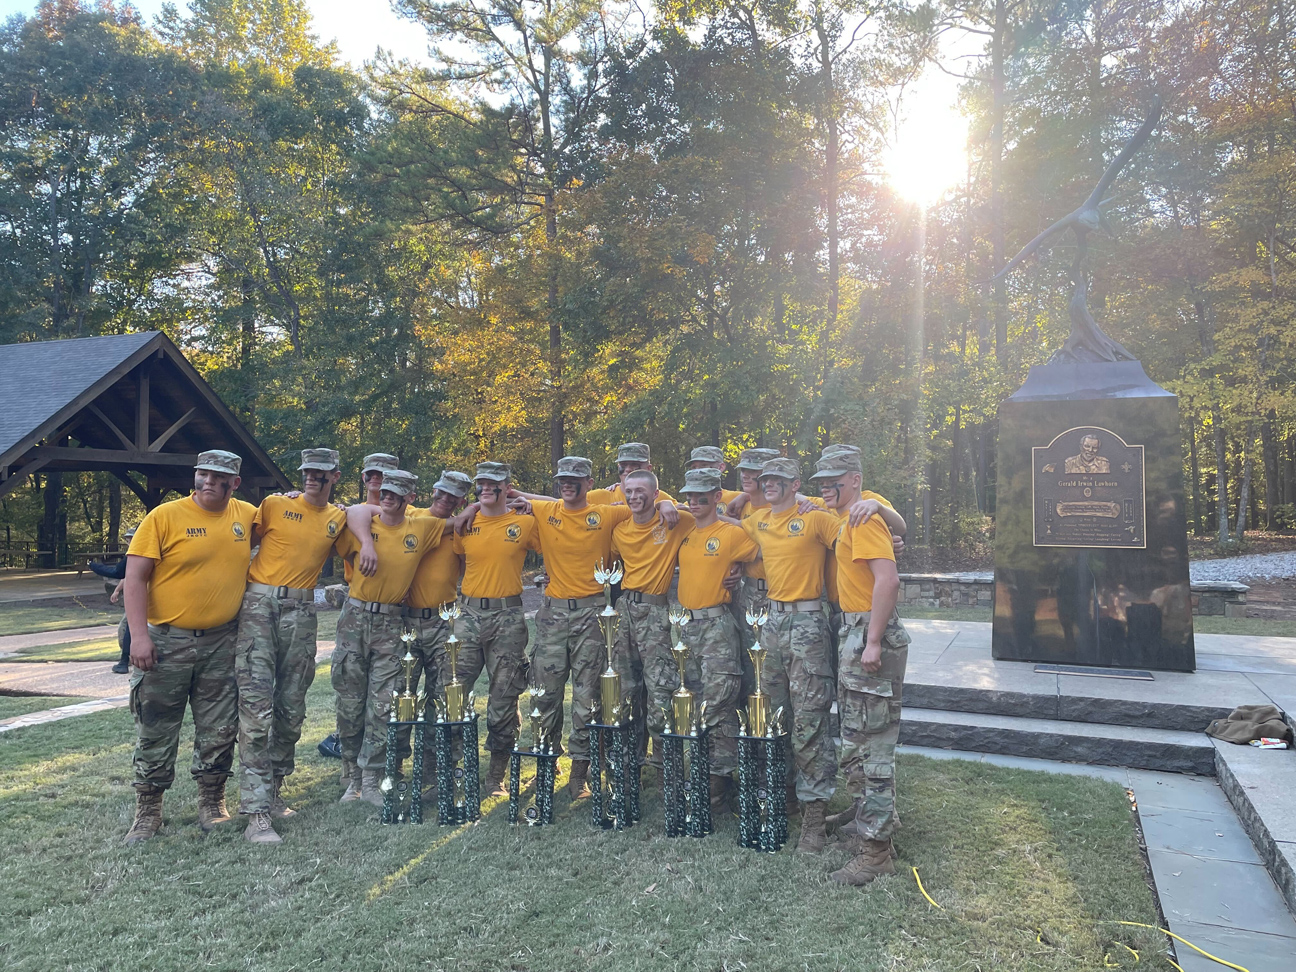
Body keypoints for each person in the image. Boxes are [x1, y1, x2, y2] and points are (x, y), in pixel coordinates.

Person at [121, 450, 257, 845]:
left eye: (219, 477)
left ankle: (212, 802)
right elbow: (134, 578)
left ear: (234, 482)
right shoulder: (164, 517)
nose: (208, 482)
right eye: (202, 474)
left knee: (219, 728)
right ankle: (148, 812)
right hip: (165, 641)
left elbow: (288, 522)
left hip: (221, 642)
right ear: (194, 476)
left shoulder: (246, 516)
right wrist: (139, 636)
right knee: (157, 726)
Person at [234, 448, 348, 844]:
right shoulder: (274, 505)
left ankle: (276, 788)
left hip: (301, 613)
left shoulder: (338, 518)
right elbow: (230, 544)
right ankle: (257, 814)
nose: (312, 478)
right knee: (256, 709)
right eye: (307, 472)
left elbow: (374, 532)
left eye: (320, 473)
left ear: (335, 475)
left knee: (291, 707)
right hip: (259, 608)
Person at [507, 456, 634, 799]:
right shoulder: (546, 512)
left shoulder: (607, 513)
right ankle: (547, 764)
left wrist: (670, 510)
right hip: (551, 616)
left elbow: (648, 505)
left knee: (587, 695)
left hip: (592, 617)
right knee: (545, 694)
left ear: (590, 483)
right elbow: (512, 499)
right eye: (562, 478)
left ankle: (581, 772)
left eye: (575, 479)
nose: (568, 483)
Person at [811, 449, 909, 886]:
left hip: (869, 634)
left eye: (833, 480)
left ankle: (875, 854)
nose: (825, 487)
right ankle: (865, 818)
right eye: (821, 481)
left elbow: (888, 580)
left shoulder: (863, 518)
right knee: (856, 738)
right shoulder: (855, 513)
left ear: (854, 478)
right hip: (854, 630)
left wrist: (871, 641)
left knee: (872, 745)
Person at [738, 457, 844, 854]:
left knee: (810, 721)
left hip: (807, 623)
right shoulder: (760, 519)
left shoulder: (814, 516)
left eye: (778, 479)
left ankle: (815, 820)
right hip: (771, 623)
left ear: (795, 483)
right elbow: (721, 525)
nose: (769, 484)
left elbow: (851, 539)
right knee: (773, 715)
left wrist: (890, 531)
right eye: (765, 479)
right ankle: (784, 800)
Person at [334, 471, 447, 805]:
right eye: (384, 492)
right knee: (350, 703)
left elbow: (462, 518)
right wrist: (367, 543)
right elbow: (354, 510)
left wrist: (519, 501)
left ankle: (371, 780)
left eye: (396, 493)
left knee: (383, 705)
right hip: (354, 618)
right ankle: (352, 780)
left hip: (391, 623)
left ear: (410, 498)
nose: (387, 497)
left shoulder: (421, 528)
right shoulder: (362, 525)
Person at [452, 462, 540, 795]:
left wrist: (526, 501)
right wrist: (472, 508)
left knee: (504, 696)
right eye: (481, 485)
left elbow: (565, 516)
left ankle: (495, 776)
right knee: (454, 692)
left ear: (507, 486)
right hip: (470, 615)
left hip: (508, 618)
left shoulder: (525, 522)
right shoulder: (467, 523)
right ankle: (455, 768)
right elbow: (458, 562)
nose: (486, 489)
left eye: (494, 484)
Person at [675, 467, 761, 811]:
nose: (693, 502)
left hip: (716, 625)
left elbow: (769, 551)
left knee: (721, 703)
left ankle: (719, 783)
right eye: (689, 497)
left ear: (716, 497)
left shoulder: (730, 533)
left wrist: (740, 574)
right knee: (696, 702)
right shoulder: (684, 529)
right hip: (687, 629)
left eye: (701, 497)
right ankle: (707, 776)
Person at [608, 469, 695, 779]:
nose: (634, 496)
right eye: (628, 491)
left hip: (656, 612)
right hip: (623, 611)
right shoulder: (618, 531)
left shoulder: (674, 520)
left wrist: (670, 505)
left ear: (656, 494)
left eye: (641, 491)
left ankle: (663, 766)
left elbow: (712, 519)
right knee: (624, 688)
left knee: (661, 688)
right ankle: (629, 763)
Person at [90, 525, 136, 674]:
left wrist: (94, 566)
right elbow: (127, 574)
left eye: (131, 538)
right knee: (126, 627)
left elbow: (117, 571)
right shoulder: (146, 551)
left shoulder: (136, 553)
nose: (129, 541)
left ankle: (124, 661)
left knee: (129, 628)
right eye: (128, 539)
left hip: (143, 597)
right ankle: (128, 659)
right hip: (150, 597)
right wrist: (117, 590)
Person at [587, 442, 678, 507]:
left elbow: (689, 514)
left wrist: (665, 505)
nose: (628, 469)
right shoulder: (597, 497)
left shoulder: (660, 497)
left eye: (635, 465)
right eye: (623, 465)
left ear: (648, 468)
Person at [684, 446, 745, 515]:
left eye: (703, 465)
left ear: (721, 467)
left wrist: (747, 496)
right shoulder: (689, 506)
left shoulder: (738, 498)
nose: (698, 471)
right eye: (694, 467)